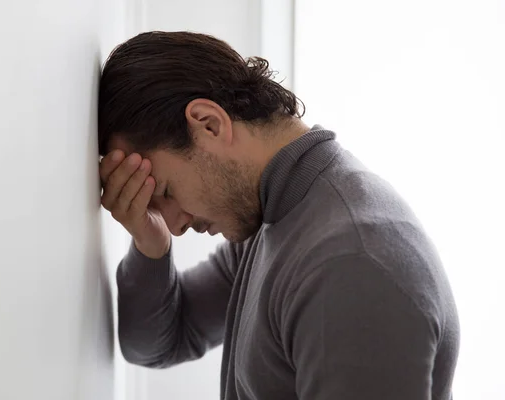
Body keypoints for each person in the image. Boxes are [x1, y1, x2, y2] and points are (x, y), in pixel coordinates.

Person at [98, 31, 459, 400]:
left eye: (165, 192)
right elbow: (159, 343)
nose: (176, 226)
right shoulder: (272, 218)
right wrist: (150, 244)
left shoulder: (351, 261)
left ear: (209, 124)